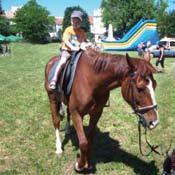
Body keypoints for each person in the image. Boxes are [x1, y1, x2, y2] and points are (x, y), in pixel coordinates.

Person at [49, 10, 87, 89]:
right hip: (67, 50)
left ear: (81, 22)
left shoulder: (82, 31)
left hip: (78, 51)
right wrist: (73, 48)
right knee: (62, 61)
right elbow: (66, 41)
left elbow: (83, 41)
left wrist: (87, 45)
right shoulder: (68, 29)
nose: (75, 23)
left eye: (77, 21)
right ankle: (54, 79)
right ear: (71, 21)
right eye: (74, 21)